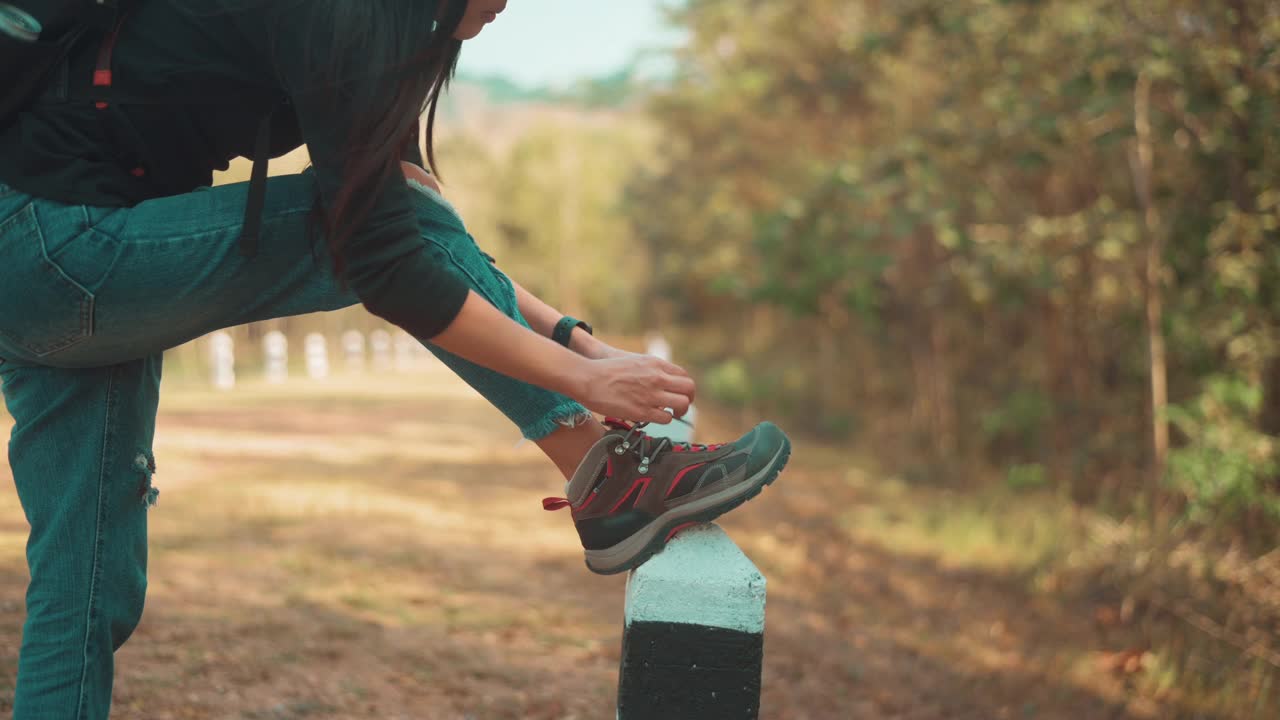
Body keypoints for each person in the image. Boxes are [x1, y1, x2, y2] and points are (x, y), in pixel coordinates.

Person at [0, 1, 791, 716]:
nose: (508, 5)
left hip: (43, 260)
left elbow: (420, 223)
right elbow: (388, 261)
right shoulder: (346, 14)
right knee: (85, 584)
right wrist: (581, 382)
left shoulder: (370, 34)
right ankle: (609, 477)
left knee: (88, 583)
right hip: (59, 247)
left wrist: (578, 343)